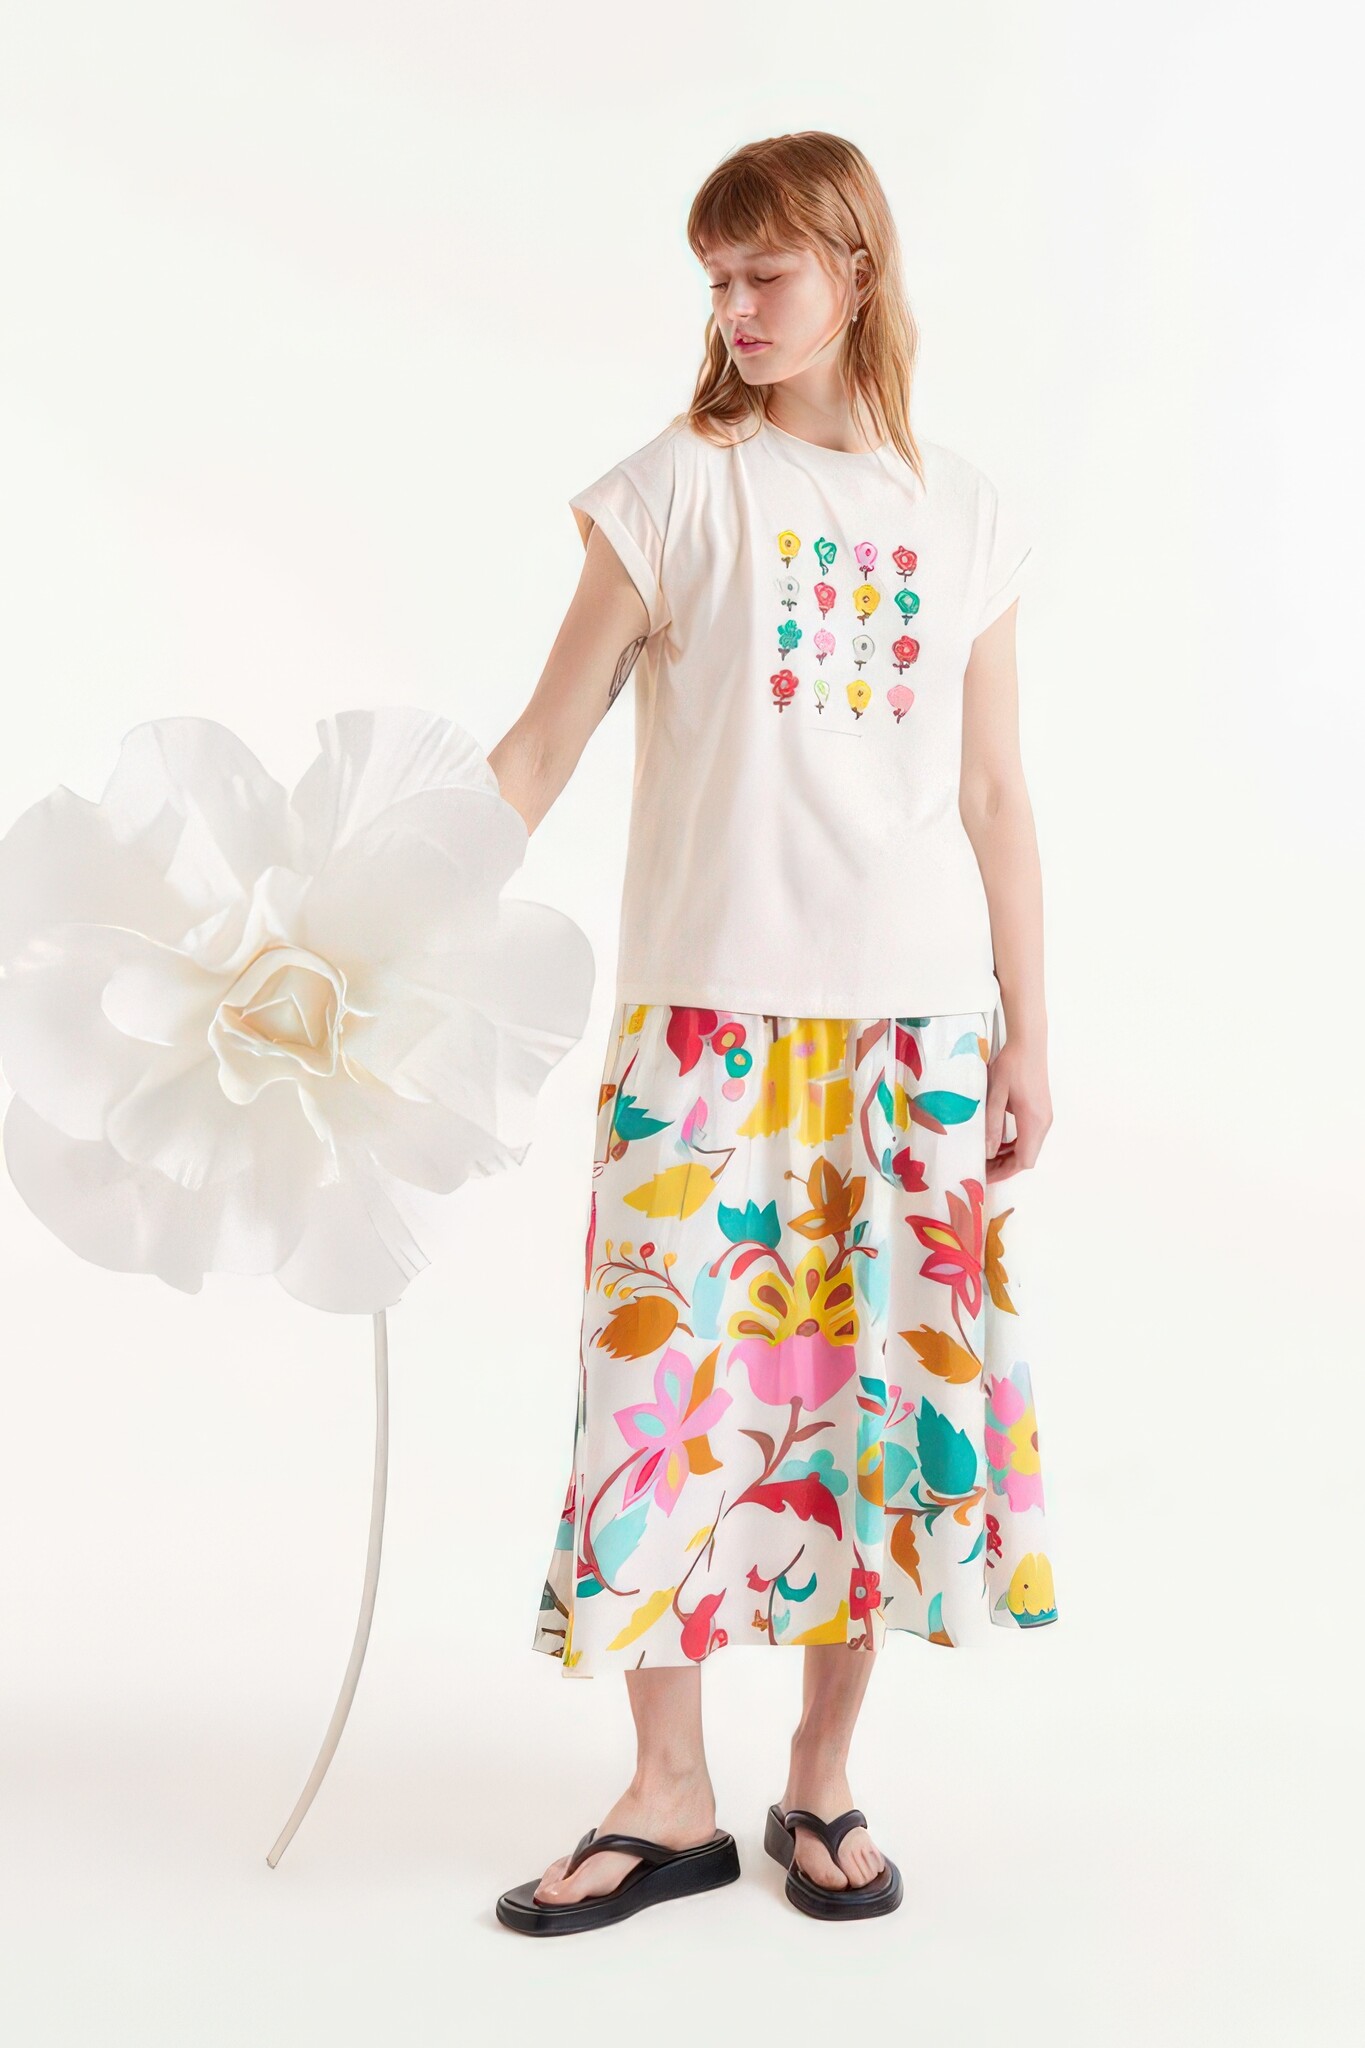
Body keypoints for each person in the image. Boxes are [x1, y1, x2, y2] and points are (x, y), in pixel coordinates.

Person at [487, 131, 1057, 1935]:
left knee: (863, 1410)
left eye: (765, 273)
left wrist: (1027, 1033)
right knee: (661, 1405)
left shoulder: (963, 511)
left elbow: (992, 790)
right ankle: (667, 1795)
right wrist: (383, 917)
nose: (733, 308)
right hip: (706, 1026)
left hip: (909, 1035)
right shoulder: (673, 489)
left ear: (854, 271)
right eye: (714, 279)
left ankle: (818, 1780)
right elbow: (538, 747)